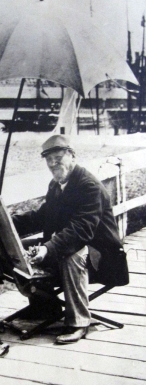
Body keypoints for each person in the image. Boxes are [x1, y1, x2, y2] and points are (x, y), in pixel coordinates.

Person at [12, 134, 129, 344]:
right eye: (48, 160)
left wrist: (48, 248)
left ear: (72, 155)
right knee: (17, 247)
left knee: (71, 254)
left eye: (58, 158)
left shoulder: (89, 186)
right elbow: (43, 216)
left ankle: (79, 321)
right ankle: (45, 309)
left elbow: (81, 230)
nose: (53, 163)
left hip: (103, 256)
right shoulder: (57, 184)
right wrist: (9, 222)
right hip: (76, 245)